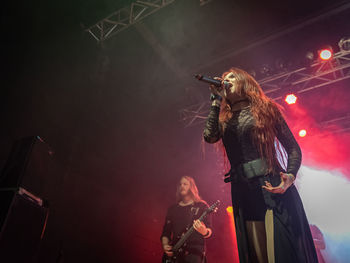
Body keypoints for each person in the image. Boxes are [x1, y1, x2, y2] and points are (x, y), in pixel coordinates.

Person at [203, 68, 318, 263]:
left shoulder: (266, 108)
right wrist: (215, 100)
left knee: (281, 249)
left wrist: (289, 177)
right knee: (257, 252)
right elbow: (210, 136)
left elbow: (293, 149)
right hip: (243, 189)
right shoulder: (225, 118)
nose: (225, 80)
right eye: (223, 79)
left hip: (271, 185)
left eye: (231, 77)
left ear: (244, 82)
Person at [161, 176, 212, 263]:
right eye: (180, 184)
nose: (182, 186)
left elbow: (209, 230)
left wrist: (204, 231)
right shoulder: (173, 209)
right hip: (175, 256)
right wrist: (165, 245)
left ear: (191, 187)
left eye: (185, 184)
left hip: (194, 254)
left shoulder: (201, 206)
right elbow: (166, 232)